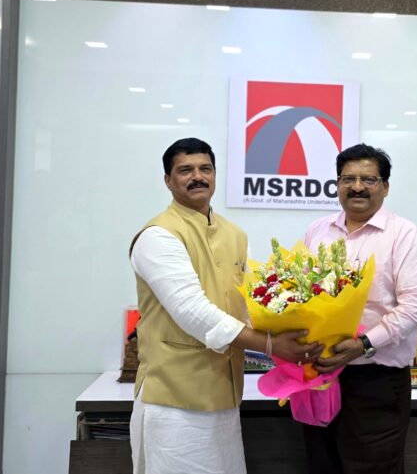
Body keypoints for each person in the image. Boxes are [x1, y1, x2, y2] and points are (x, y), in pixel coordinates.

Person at [129, 137, 322, 474]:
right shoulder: (158, 236)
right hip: (174, 398)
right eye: (185, 170)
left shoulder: (235, 235)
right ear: (168, 180)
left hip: (224, 393)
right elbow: (193, 312)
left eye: (205, 168)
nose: (197, 177)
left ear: (215, 175)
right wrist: (271, 345)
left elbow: (244, 309)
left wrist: (300, 337)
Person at [303, 143, 417, 474]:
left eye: (368, 179)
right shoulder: (317, 232)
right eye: (348, 179)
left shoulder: (404, 235)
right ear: (337, 184)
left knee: (374, 469)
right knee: (323, 465)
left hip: (376, 382)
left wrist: (362, 344)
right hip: (320, 376)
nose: (357, 187)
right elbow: (300, 295)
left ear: (385, 187)